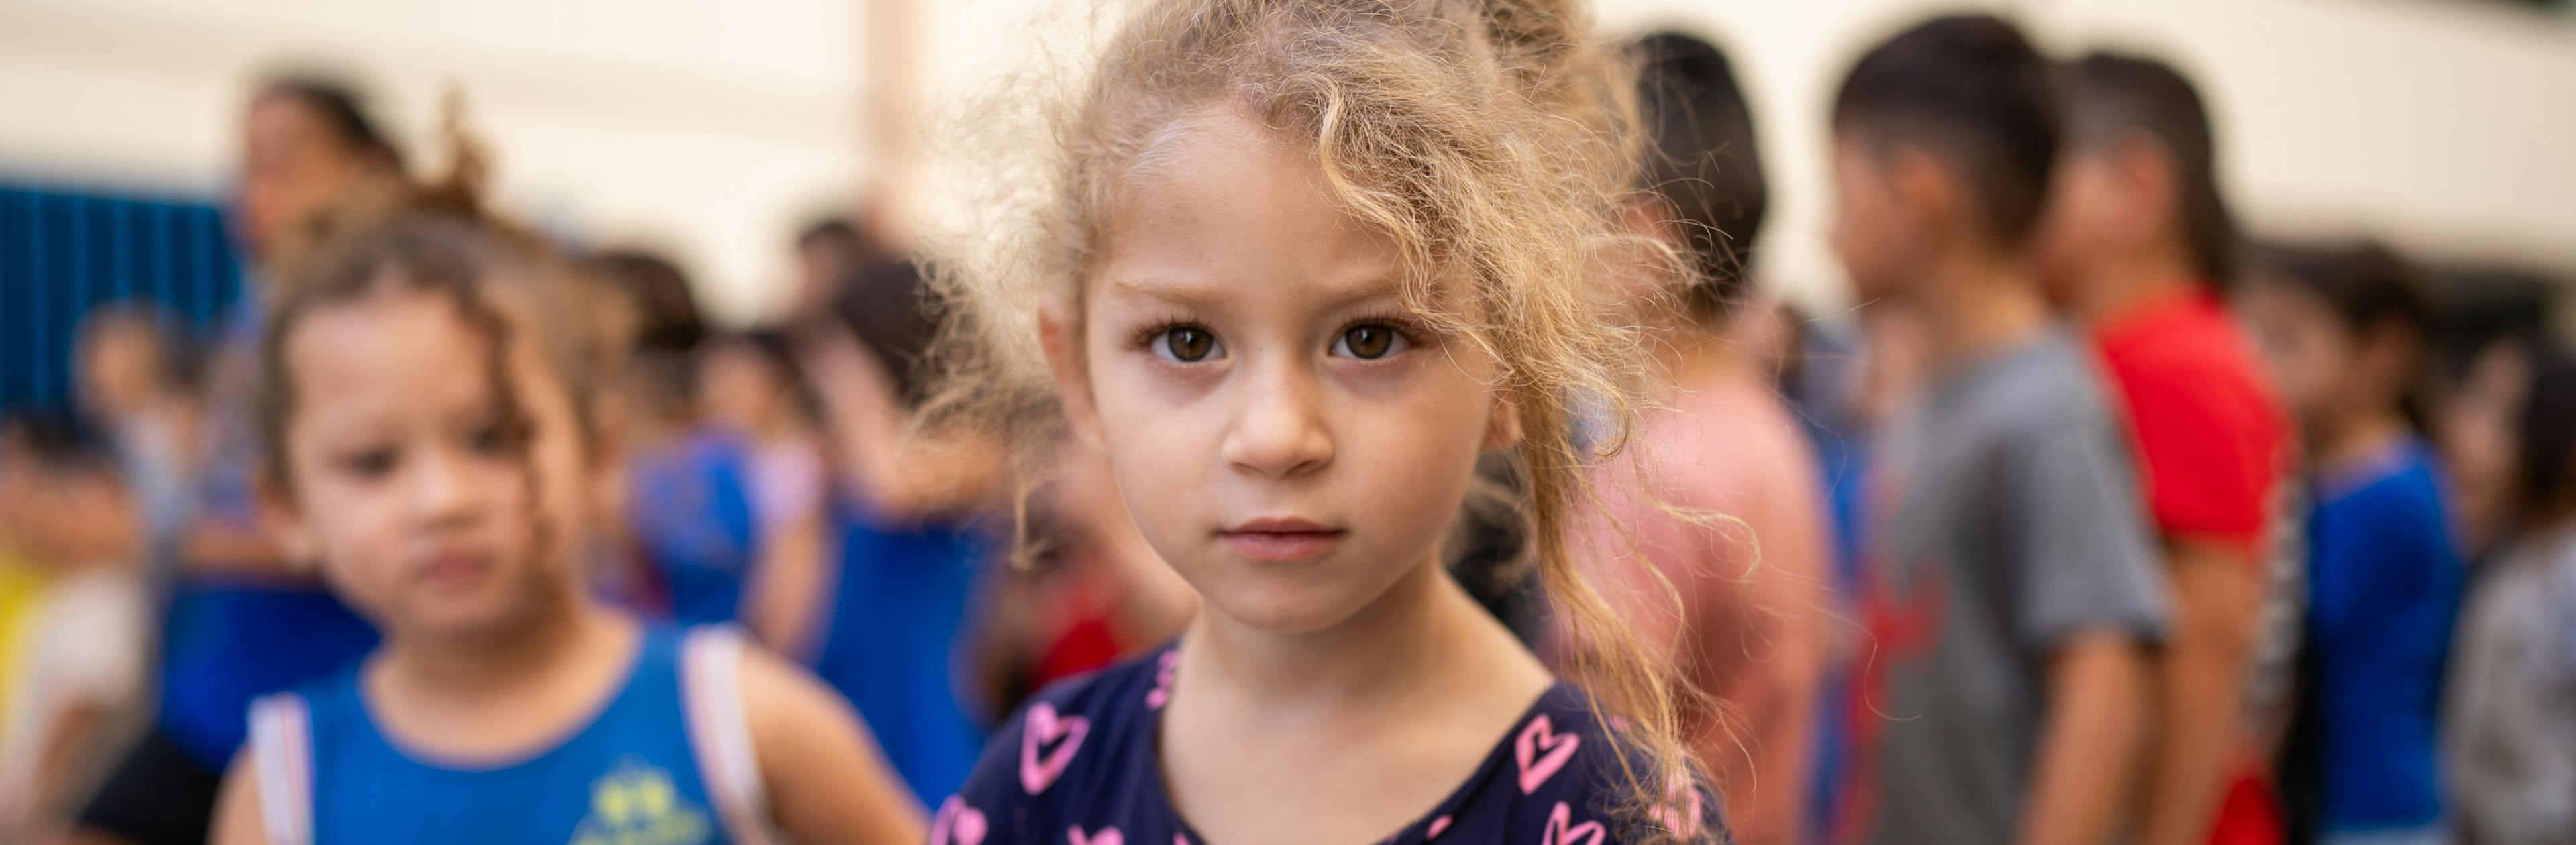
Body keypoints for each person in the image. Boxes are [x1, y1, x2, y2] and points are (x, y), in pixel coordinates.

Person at [920, 0, 1727, 842]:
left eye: (1370, 338)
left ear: (1514, 379)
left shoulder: (1607, 815)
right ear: (1078, 372)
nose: (1274, 437)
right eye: (1188, 342)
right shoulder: (1042, 783)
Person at [203, 205, 923, 845]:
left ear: (599, 454)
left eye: (494, 438)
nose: (441, 500)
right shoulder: (283, 788)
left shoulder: (740, 719)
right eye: (372, 463)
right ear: (287, 508)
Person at [1826, 15, 2169, 845]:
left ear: (1914, 197)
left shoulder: (2048, 407)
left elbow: (2104, 683)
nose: (1828, 228)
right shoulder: (1936, 393)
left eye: (1839, 190)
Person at [70, 74, 398, 845]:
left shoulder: (370, 320)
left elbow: (348, 517)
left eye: (282, 164)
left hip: (322, 696)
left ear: (371, 169)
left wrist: (145, 537)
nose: (252, 192)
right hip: (222, 693)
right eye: (245, 164)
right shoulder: (260, 309)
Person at [1566, 30, 1828, 845]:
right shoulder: (1764, 428)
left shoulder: (1651, 475)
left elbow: (1590, 771)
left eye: (1566, 208)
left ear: (1644, 241)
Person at [2032, 52, 2297, 845]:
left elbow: (2203, 659)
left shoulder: (2177, 366)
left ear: (2135, 192)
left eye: (2038, 172)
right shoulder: (2140, 356)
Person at [2239, 243, 2464, 845]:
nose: (2261, 362)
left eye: (2288, 339)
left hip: (2371, 810)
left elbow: (2292, 620)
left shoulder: (2394, 490)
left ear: (2383, 352)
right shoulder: (2326, 475)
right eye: (2256, 335)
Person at [2444, 345, 2576, 845]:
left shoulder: (2565, 570)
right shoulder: (2509, 557)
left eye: (2502, 418)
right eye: (2470, 403)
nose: (2463, 432)